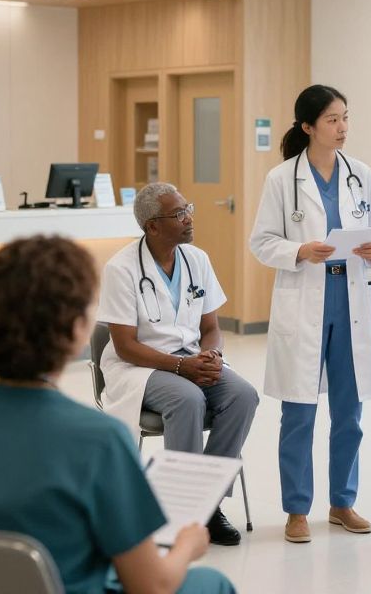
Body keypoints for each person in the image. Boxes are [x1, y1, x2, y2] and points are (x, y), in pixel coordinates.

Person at [0, 235, 235, 594]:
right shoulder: (97, 441)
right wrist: (186, 545)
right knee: (212, 582)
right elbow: (152, 586)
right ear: (75, 330)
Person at [250, 84, 371, 544]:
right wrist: (301, 250)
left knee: (349, 413)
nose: (342, 127)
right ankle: (296, 509)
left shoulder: (360, 174)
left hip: (350, 300)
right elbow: (262, 242)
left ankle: (342, 502)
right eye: (332, 119)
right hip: (305, 298)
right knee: (300, 414)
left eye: (345, 117)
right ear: (308, 127)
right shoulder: (282, 179)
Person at [96, 183, 258, 546]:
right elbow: (124, 346)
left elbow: (210, 328)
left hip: (192, 360)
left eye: (189, 209)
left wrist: (213, 357)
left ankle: (208, 504)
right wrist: (181, 368)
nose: (189, 219)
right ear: (152, 226)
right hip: (140, 368)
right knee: (187, 399)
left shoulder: (196, 259)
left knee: (243, 396)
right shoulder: (121, 268)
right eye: (179, 214)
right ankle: (182, 513)